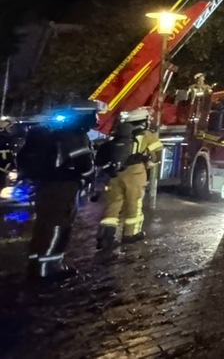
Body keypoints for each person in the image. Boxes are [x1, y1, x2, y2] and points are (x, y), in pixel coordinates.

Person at [16, 114, 95, 281]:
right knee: (58, 228)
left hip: (44, 187)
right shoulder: (76, 137)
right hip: (63, 188)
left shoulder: (55, 136)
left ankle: (36, 266)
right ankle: (48, 270)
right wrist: (85, 179)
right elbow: (86, 167)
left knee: (43, 227)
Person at [96, 107, 162, 248]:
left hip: (114, 173)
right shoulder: (147, 135)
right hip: (135, 173)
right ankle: (130, 234)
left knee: (113, 204)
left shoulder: (118, 134)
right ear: (143, 121)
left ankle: (106, 236)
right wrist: (149, 165)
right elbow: (158, 155)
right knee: (134, 203)